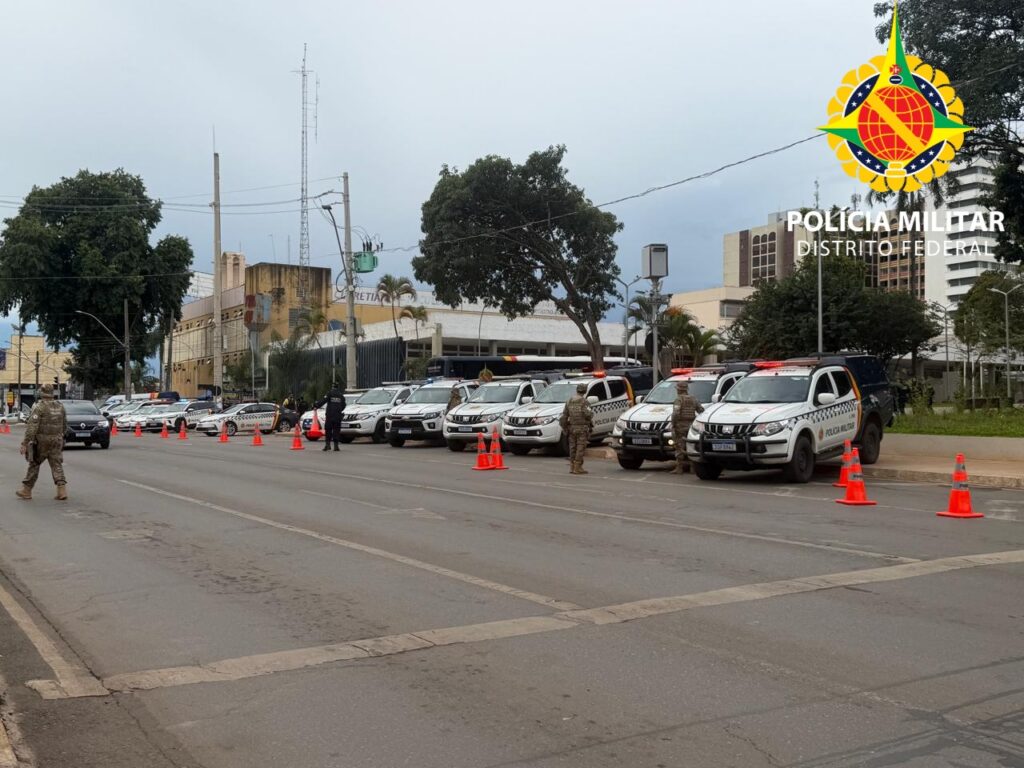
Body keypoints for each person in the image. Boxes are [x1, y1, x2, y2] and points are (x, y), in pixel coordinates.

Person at [17, 383, 68, 501]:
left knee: (34, 463)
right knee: (57, 465)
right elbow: (65, 425)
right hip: (57, 440)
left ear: (42, 393)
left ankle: (26, 490)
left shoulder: (39, 407)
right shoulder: (60, 406)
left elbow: (32, 427)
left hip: (42, 441)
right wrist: (61, 436)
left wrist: (25, 443)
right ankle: (62, 491)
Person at [559, 382, 593, 475]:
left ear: (577, 390)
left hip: (572, 428)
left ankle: (572, 466)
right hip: (582, 428)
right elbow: (588, 415)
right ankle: (577, 467)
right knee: (580, 448)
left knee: (572, 447)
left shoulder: (569, 400)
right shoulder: (584, 401)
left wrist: (565, 427)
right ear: (585, 391)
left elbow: (564, 416)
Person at [671, 381, 702, 474]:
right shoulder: (693, 399)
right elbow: (701, 410)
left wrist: (673, 424)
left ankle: (679, 468)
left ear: (679, 389)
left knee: (679, 446)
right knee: (690, 446)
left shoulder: (678, 400)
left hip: (680, 426)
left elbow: (676, 413)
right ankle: (693, 468)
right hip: (691, 426)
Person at [315, 384, 346, 452]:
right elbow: (344, 405)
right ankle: (336, 446)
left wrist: (316, 406)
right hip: (338, 415)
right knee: (336, 430)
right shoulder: (341, 395)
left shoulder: (330, 393)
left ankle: (328, 445)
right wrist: (339, 410)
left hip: (330, 415)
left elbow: (323, 401)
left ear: (332, 387)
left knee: (328, 429)